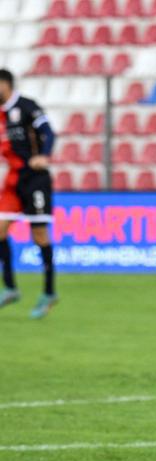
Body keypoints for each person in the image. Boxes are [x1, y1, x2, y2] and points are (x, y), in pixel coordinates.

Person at [0, 69, 57, 318]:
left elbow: (49, 132)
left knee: (39, 235)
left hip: (35, 179)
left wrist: (43, 155)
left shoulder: (26, 106)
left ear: (6, 84)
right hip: (13, 179)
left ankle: (49, 292)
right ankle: (10, 287)